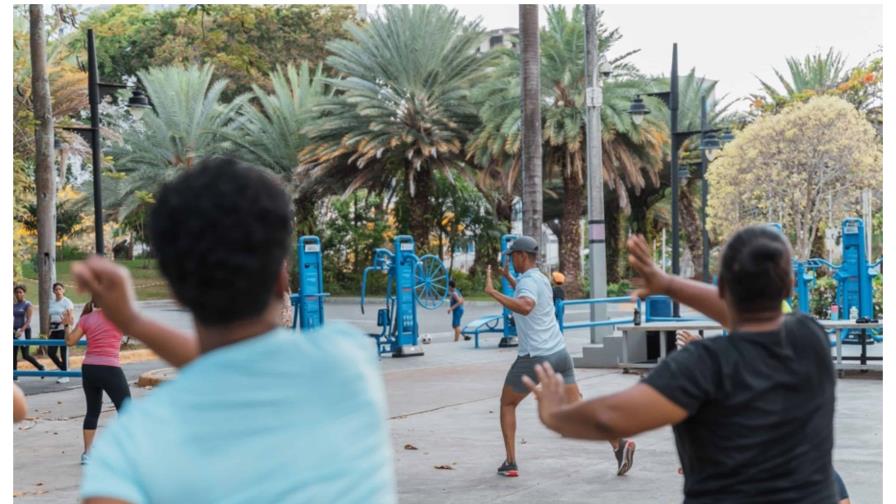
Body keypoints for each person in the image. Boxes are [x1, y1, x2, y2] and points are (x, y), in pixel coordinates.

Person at [73, 156, 396, 503]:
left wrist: (133, 320)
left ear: (177, 293)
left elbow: (221, 365)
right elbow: (238, 364)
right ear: (281, 279)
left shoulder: (131, 447)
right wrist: (133, 322)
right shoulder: (348, 361)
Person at [523, 227, 839, 503]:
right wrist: (668, 284)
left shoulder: (703, 365)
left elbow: (610, 418)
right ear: (790, 287)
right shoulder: (811, 340)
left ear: (724, 287)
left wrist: (555, 415)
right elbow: (750, 316)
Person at [484, 236, 634, 478]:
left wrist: (492, 292)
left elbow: (525, 306)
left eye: (513, 256)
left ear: (522, 256)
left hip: (536, 357)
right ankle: (619, 444)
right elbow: (528, 295)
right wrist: (509, 279)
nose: (511, 260)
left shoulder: (526, 284)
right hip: (560, 354)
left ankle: (511, 463)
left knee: (507, 404)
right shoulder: (539, 278)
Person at [64, 298, 131, 465]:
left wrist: (67, 324)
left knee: (92, 411)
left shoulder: (86, 318)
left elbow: (70, 341)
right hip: (110, 368)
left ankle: (87, 454)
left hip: (89, 368)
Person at [13, 285, 45, 377]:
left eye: (20, 292)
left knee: (25, 355)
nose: (18, 294)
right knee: (13, 354)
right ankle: (15, 375)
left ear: (24, 293)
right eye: (16, 292)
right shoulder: (13, 305)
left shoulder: (27, 304)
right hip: (14, 331)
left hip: (24, 331)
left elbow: (29, 320)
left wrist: (21, 330)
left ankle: (41, 367)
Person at [48, 282, 75, 383]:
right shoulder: (52, 302)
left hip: (64, 330)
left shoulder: (67, 302)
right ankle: (64, 369)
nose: (58, 291)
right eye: (56, 289)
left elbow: (71, 318)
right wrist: (48, 330)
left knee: (64, 353)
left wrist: (67, 326)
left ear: (64, 290)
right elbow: (49, 317)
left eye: (60, 289)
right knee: (51, 352)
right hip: (54, 330)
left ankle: (65, 376)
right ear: (53, 291)